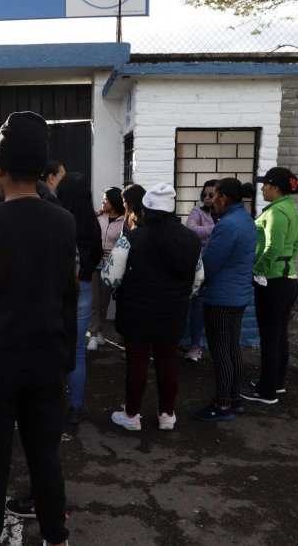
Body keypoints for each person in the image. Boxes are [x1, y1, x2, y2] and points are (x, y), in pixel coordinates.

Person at [0, 111, 75, 546]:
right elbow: (66, 292)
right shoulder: (63, 222)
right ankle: (56, 538)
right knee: (45, 458)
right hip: (45, 360)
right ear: (41, 171)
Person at [103, 183, 203, 432]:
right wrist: (180, 296)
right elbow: (199, 277)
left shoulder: (132, 239)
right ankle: (167, 415)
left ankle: (132, 415)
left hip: (136, 313)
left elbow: (110, 277)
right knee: (168, 361)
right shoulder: (191, 239)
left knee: (137, 362)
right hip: (173, 312)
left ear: (145, 209)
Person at [194, 179, 257, 422]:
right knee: (231, 348)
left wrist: (195, 278)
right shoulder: (245, 219)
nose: (211, 201)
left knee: (221, 351)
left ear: (224, 199)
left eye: (214, 196)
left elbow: (210, 262)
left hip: (222, 297)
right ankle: (234, 398)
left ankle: (222, 405)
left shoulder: (228, 225)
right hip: (237, 295)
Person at [241, 167, 298, 405]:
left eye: (265, 185)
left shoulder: (276, 212)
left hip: (273, 282)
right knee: (279, 335)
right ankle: (276, 383)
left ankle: (266, 391)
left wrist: (257, 271)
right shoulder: (291, 210)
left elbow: (272, 249)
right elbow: (295, 245)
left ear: (275, 187)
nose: (263, 190)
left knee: (269, 337)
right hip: (288, 279)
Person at [58, 171, 103, 424]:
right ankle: (76, 407)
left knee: (53, 347)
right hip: (83, 288)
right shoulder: (91, 221)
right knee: (76, 351)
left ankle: (52, 404)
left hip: (56, 291)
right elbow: (96, 255)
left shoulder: (54, 219)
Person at [183, 179, 220, 361]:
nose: (206, 197)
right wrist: (218, 229)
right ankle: (195, 346)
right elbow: (192, 231)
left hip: (221, 267)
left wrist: (207, 232)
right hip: (200, 265)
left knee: (218, 309)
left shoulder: (227, 214)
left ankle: (218, 348)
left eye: (211, 195)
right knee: (197, 306)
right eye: (204, 194)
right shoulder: (197, 211)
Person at [89, 186, 125, 350]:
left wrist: (115, 251)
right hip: (95, 264)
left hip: (111, 267)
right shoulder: (97, 217)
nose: (103, 201)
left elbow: (125, 243)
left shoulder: (124, 221)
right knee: (94, 301)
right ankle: (93, 334)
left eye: (106, 199)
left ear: (115, 201)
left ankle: (99, 330)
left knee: (104, 301)